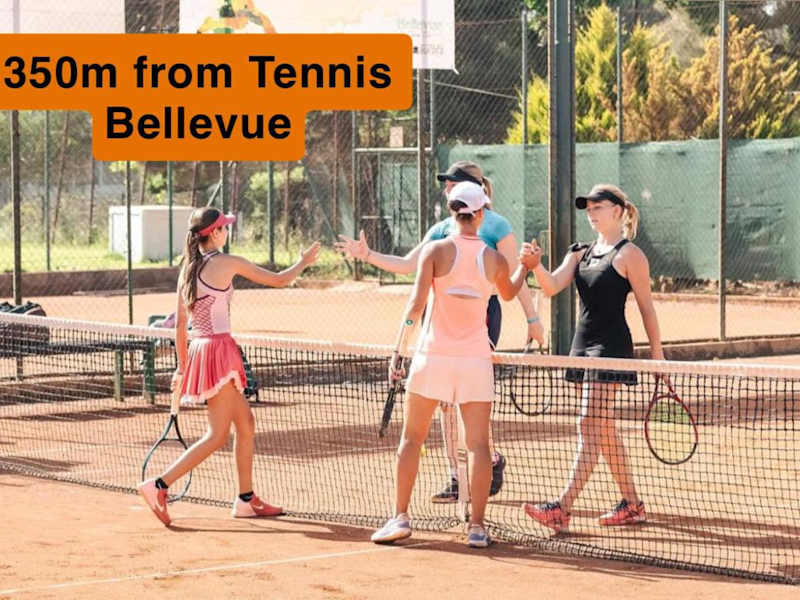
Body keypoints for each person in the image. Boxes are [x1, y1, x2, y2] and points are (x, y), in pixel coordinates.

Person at [335, 160, 544, 503]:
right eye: (447, 183)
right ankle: (458, 474)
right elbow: (409, 265)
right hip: (439, 323)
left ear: (474, 188)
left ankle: (484, 458)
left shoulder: (498, 226)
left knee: (464, 401)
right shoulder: (441, 229)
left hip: (482, 318)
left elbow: (508, 281)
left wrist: (533, 319)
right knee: (447, 405)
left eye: (453, 182)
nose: (447, 187)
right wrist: (368, 254)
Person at [370, 181, 531, 547]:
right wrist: (527, 267)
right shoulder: (494, 259)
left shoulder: (434, 250)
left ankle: (400, 517)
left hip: (432, 358)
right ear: (481, 213)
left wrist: (398, 350)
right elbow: (509, 293)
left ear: (452, 212)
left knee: (411, 439)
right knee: (479, 447)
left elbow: (415, 306)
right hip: (474, 361)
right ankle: (477, 527)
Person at [138, 207, 320, 526]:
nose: (227, 231)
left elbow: (180, 326)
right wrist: (303, 262)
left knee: (245, 423)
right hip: (218, 351)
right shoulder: (226, 262)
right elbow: (279, 280)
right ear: (214, 233)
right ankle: (159, 485)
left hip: (202, 349)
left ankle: (245, 499)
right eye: (224, 227)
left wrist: (182, 367)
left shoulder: (188, 269)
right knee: (217, 434)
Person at [519, 184, 664, 532]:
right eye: (588, 207)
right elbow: (551, 286)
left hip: (610, 347)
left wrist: (658, 357)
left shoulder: (631, 256)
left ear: (617, 211)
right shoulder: (579, 252)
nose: (591, 212)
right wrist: (535, 267)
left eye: (598, 207)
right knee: (603, 427)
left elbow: (647, 308)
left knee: (588, 423)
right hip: (582, 346)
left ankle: (562, 507)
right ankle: (632, 504)